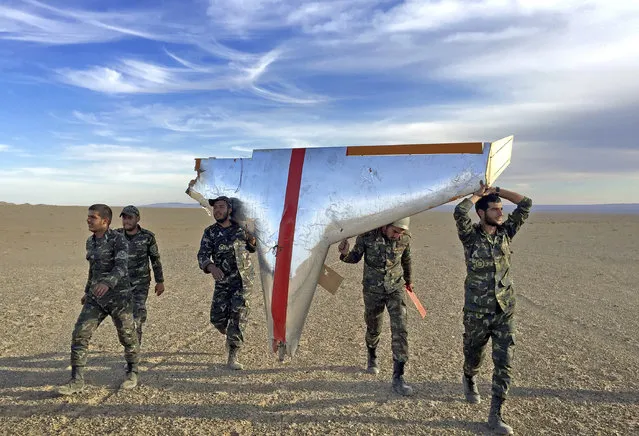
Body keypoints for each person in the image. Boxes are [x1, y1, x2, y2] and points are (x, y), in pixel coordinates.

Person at [454, 182, 532, 435]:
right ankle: (469, 376)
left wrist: (497, 190)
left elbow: (525, 203)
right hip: (477, 311)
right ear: (481, 213)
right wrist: (478, 195)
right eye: (496, 209)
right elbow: (459, 211)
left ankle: (496, 415)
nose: (501, 213)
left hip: (504, 310)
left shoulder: (506, 232)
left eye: (501, 209)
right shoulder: (470, 236)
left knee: (504, 363)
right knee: (473, 354)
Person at [58, 204, 139, 396]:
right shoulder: (90, 242)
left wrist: (107, 283)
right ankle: (76, 380)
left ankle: (132, 371)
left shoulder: (118, 240)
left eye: (92, 217)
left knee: (127, 335)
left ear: (105, 221)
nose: (88, 220)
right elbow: (92, 270)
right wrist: (88, 291)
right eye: (88, 217)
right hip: (96, 298)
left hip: (119, 298)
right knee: (80, 333)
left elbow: (121, 267)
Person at [338, 217, 414, 396]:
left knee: (400, 330)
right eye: (395, 231)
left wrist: (409, 281)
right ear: (384, 225)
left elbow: (406, 260)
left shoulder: (404, 238)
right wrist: (344, 254)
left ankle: (398, 377)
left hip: (395, 288)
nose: (397, 236)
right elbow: (354, 258)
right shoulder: (367, 236)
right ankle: (372, 355)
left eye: (401, 233)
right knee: (374, 327)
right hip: (373, 290)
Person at [197, 196, 256, 370]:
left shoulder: (242, 228)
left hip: (242, 281)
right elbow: (202, 255)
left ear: (230, 210)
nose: (217, 210)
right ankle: (229, 334)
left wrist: (252, 239)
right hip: (222, 281)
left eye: (221, 207)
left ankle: (233, 353)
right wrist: (211, 267)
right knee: (217, 319)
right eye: (215, 208)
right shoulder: (210, 232)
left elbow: (253, 247)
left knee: (238, 317)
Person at [116, 205, 165, 346]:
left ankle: (134, 351)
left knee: (137, 316)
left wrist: (160, 281)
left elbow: (155, 259)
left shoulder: (147, 237)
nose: (126, 221)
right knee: (124, 320)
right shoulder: (116, 236)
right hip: (121, 285)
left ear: (137, 218)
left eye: (130, 217)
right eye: (124, 217)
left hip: (140, 284)